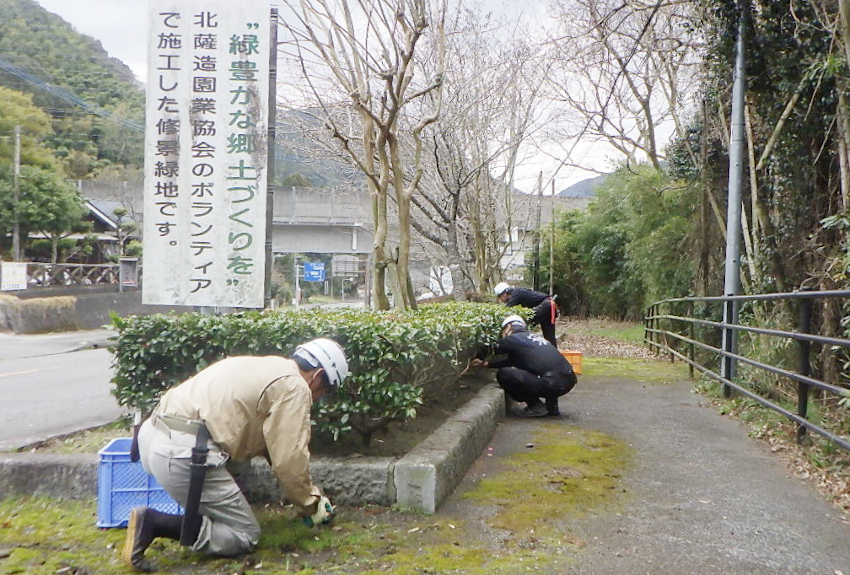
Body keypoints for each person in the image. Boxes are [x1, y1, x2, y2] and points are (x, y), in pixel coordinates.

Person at [122, 338, 348, 572]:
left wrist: (302, 493)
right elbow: (288, 460)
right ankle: (154, 524)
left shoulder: (271, 366)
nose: (320, 397)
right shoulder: (296, 387)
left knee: (240, 462)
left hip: (153, 437)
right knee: (245, 534)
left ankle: (215, 513)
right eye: (326, 390)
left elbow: (273, 445)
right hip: (183, 452)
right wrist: (311, 503)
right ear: (318, 375)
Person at [473, 315, 576, 417]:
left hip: (551, 383)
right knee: (547, 370)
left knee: (504, 374)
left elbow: (489, 348)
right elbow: (513, 361)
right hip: (568, 381)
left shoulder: (513, 339)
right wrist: (487, 364)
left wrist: (478, 357)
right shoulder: (533, 338)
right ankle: (552, 407)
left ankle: (536, 406)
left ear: (508, 327)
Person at [494, 282, 559, 347]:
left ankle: (528, 348)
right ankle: (553, 352)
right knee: (549, 336)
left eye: (499, 297)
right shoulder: (517, 293)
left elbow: (506, 312)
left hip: (547, 305)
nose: (500, 300)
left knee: (525, 324)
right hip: (549, 305)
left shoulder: (516, 294)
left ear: (504, 294)